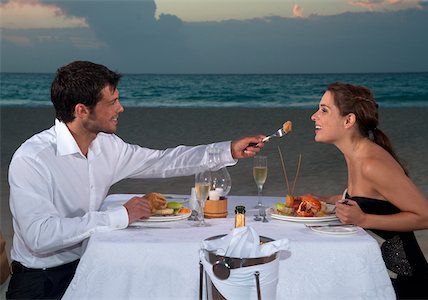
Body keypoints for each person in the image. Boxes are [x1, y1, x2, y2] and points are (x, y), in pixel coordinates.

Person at [6, 61, 265, 299]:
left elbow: (163, 161)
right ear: (82, 110)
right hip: (40, 282)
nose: (121, 108)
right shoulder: (32, 159)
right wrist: (119, 216)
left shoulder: (107, 146)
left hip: (89, 262)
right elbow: (39, 236)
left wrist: (228, 150)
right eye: (112, 102)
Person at [310, 82, 428, 299]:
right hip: (376, 276)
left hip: (406, 286)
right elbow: (367, 199)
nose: (314, 116)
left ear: (349, 120)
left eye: (324, 110)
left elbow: (427, 218)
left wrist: (363, 219)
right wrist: (322, 200)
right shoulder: (356, 156)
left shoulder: (371, 163)